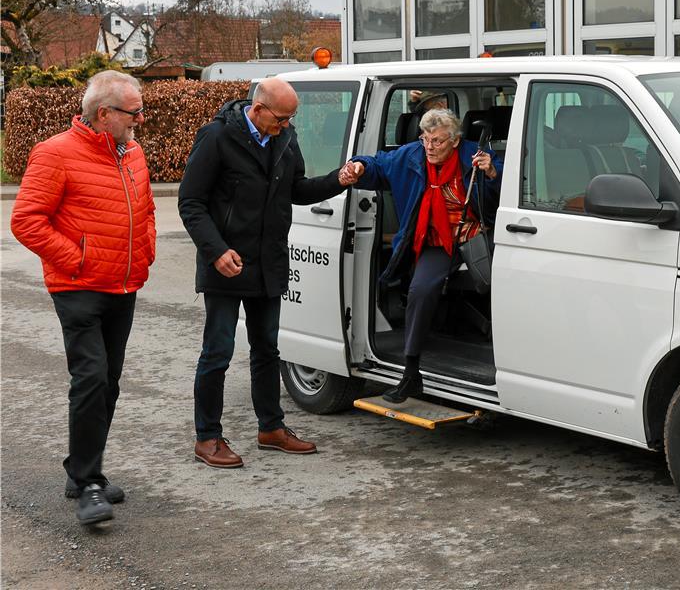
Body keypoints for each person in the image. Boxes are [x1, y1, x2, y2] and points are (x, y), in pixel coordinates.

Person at [178, 78, 358, 468]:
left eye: (292, 119)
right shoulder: (216, 137)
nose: (287, 125)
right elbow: (191, 203)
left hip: (269, 262)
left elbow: (297, 189)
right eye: (281, 118)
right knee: (218, 352)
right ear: (257, 109)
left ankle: (270, 429)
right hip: (226, 264)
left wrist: (337, 180)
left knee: (267, 350)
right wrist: (215, 251)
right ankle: (207, 437)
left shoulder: (284, 138)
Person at [10, 70, 156, 526]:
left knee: (108, 380)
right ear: (104, 113)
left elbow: (147, 210)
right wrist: (76, 260)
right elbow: (27, 220)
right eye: (133, 112)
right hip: (77, 286)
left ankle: (80, 469)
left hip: (124, 283)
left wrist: (146, 251)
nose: (141, 120)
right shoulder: (55, 154)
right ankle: (90, 484)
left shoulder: (131, 151)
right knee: (91, 377)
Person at [341, 107, 501, 403]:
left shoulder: (472, 157)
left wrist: (491, 172)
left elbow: (500, 193)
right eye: (425, 139)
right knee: (420, 289)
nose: (429, 146)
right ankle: (411, 373)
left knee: (514, 277)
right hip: (434, 241)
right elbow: (378, 165)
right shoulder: (411, 156)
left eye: (437, 141)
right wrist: (359, 167)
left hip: (474, 236)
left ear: (454, 141)